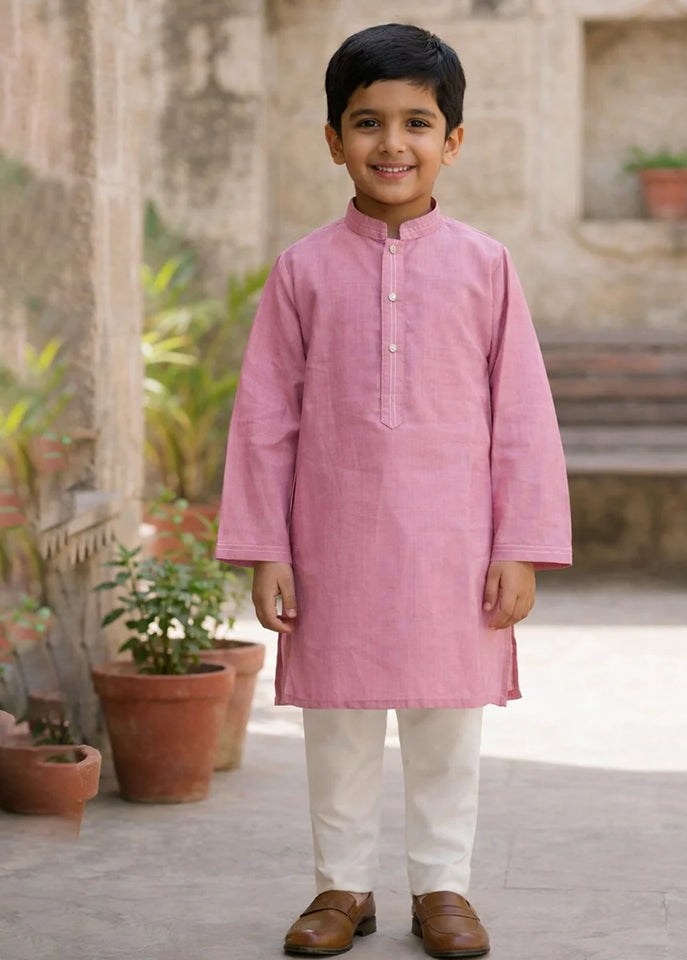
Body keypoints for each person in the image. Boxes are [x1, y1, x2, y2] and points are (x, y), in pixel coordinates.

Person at [216, 22, 571, 958]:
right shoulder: (301, 271)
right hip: (331, 535)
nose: (392, 144)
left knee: (447, 717)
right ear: (334, 139)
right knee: (336, 717)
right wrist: (267, 549)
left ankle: (443, 889)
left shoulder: (486, 266)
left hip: (455, 541)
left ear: (452, 140)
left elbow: (523, 415)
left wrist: (519, 544)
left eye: (417, 121)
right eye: (367, 122)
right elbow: (263, 419)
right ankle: (342, 887)